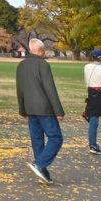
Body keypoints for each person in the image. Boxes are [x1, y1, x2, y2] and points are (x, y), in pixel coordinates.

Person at [16, 38, 64, 184]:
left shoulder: (21, 65)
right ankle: (40, 164)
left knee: (37, 140)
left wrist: (22, 110)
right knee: (56, 137)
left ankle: (42, 172)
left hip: (30, 108)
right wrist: (59, 111)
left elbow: (20, 90)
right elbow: (50, 89)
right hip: (44, 108)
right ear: (41, 50)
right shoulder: (43, 65)